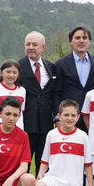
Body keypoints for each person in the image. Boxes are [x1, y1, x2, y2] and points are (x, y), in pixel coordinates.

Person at [33, 99, 92, 186]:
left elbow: (88, 165)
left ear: (78, 117)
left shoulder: (83, 136)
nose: (69, 118)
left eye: (72, 115)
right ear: (59, 116)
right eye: (66, 115)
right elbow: (45, 161)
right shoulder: (52, 135)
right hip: (53, 179)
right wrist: (40, 175)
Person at [15, 31, 57, 171]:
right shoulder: (17, 67)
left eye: (34, 44)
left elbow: (53, 94)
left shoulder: (51, 67)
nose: (31, 47)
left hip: (46, 123)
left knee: (44, 163)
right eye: (28, 44)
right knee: (23, 163)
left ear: (43, 47)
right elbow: (3, 84)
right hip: (25, 122)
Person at [52, 25, 94, 120]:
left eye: (84, 38)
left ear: (89, 42)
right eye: (77, 38)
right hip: (69, 116)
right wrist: (57, 117)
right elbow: (57, 93)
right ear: (71, 42)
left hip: (92, 115)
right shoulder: (61, 64)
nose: (81, 41)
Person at [0, 61, 26, 129]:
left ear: (18, 75)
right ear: (1, 73)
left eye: (14, 72)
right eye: (8, 72)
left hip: (17, 130)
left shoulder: (22, 90)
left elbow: (21, 112)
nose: (11, 75)